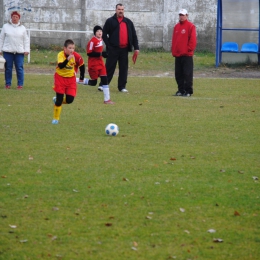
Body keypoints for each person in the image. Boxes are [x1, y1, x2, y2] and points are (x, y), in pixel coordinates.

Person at [100, 3, 139, 93]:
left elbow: (134, 35)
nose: (120, 11)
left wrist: (136, 47)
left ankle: (122, 87)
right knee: (109, 67)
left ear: (123, 10)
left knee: (123, 68)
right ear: (116, 10)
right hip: (113, 49)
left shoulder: (128, 22)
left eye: (122, 9)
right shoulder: (110, 21)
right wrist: (108, 45)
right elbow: (104, 34)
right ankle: (103, 84)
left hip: (124, 49)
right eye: (119, 9)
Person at [77, 25, 114, 104]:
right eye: (97, 31)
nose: (99, 32)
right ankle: (75, 80)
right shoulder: (92, 41)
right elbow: (89, 53)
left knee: (105, 79)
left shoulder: (101, 39)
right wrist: (101, 54)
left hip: (101, 63)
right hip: (93, 64)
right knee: (93, 83)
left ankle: (107, 100)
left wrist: (106, 53)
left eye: (100, 31)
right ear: (95, 33)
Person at [52, 39, 85, 124]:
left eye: (73, 48)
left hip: (71, 80)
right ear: (65, 48)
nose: (71, 50)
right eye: (69, 48)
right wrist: (67, 59)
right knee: (59, 101)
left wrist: (82, 77)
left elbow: (82, 65)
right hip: (60, 78)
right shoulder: (60, 55)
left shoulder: (76, 56)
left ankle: (57, 100)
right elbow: (61, 66)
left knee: (70, 100)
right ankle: (56, 118)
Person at [0, 11, 30, 89]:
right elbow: (1, 38)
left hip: (19, 52)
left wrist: (26, 50)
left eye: (16, 17)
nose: (15, 18)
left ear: (19, 18)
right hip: (8, 51)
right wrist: (0, 49)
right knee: (8, 68)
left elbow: (26, 40)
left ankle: (20, 84)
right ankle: (8, 84)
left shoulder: (22, 28)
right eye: (13, 17)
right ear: (11, 17)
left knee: (19, 68)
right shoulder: (5, 26)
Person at [171, 8, 197, 97]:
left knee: (187, 73)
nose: (181, 17)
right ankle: (180, 90)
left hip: (186, 55)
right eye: (180, 15)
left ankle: (188, 91)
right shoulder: (176, 26)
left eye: (183, 15)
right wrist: (174, 50)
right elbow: (174, 40)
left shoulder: (190, 26)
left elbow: (193, 40)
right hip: (178, 55)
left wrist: (188, 49)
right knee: (178, 74)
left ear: (187, 15)